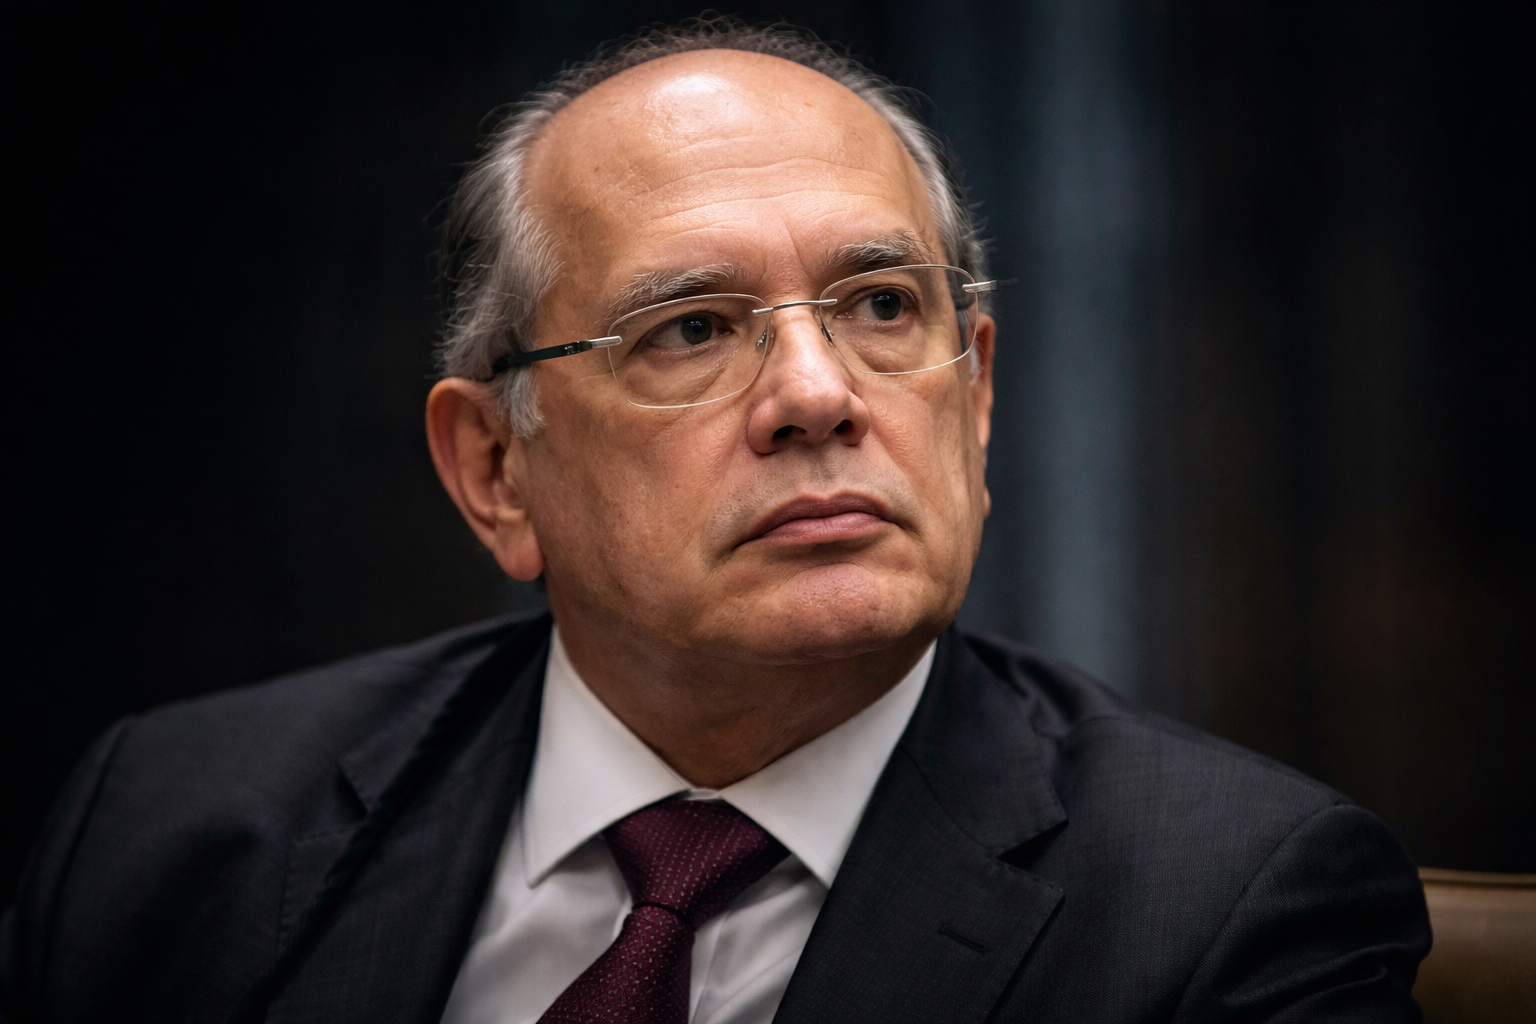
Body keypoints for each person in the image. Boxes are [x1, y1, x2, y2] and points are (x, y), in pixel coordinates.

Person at [0, 18, 1430, 1024]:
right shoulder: (174, 828)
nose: (818, 395)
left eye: (884, 307)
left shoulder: (1234, 907)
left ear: (978, 399)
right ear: (495, 469)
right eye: (689, 328)